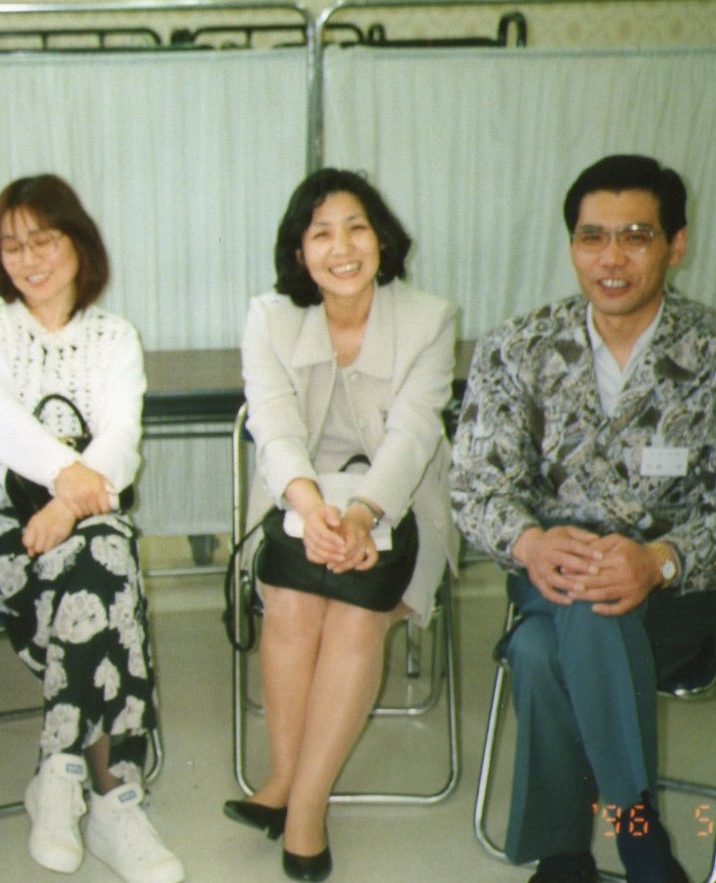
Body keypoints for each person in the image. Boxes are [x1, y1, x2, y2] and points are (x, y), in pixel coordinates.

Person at [450, 154, 716, 883]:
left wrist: (657, 560)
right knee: (583, 602)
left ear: (675, 244)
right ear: (572, 247)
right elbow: (472, 484)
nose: (611, 259)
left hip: (674, 596)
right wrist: (529, 541)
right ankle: (638, 835)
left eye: (635, 236)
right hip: (546, 577)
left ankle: (564, 857)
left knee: (537, 653)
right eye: (592, 238)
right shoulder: (516, 348)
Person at [0, 174, 184, 883]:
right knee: (109, 577)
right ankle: (115, 795)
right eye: (11, 245)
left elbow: (121, 443)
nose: (28, 258)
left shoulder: (114, 337)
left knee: (100, 558)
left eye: (43, 239)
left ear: (79, 242)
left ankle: (61, 773)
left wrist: (66, 505)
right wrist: (68, 484)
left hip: (80, 516)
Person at [225, 168, 459, 882]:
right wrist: (309, 507)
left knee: (355, 615)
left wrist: (361, 514)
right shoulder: (268, 318)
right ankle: (283, 776)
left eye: (356, 227)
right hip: (297, 501)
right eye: (320, 232)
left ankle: (304, 804)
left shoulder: (430, 318)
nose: (342, 246)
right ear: (299, 252)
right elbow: (272, 427)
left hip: (397, 503)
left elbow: (412, 437)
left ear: (382, 240)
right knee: (294, 605)